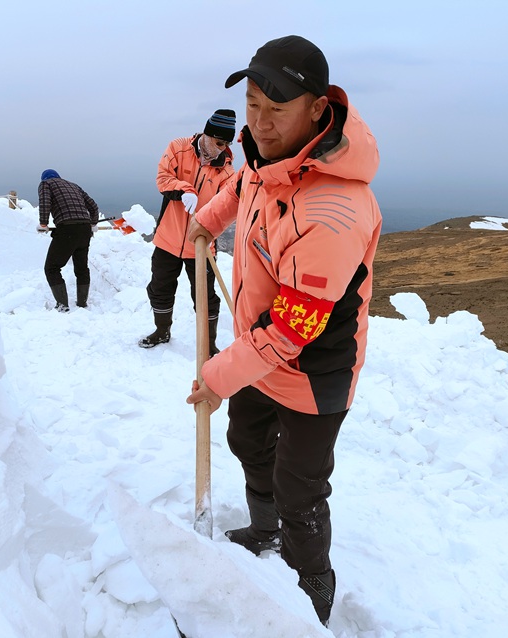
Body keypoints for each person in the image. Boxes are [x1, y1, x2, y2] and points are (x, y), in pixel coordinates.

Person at [185, 35, 382, 626]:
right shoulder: (268, 161)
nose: (260, 123)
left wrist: (217, 376)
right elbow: (242, 189)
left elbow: (292, 333)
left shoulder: (334, 211)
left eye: (277, 108)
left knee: (302, 491)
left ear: (318, 109)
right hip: (257, 355)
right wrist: (206, 220)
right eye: (252, 105)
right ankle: (263, 528)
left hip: (312, 375)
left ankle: (311, 587)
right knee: (247, 442)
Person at [139, 109, 238, 353]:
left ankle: (209, 344)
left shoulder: (226, 171)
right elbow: (163, 178)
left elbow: (229, 208)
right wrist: (184, 190)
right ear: (207, 133)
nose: (223, 148)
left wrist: (207, 223)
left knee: (206, 298)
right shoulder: (178, 148)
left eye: (227, 144)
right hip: (167, 238)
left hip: (202, 243)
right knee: (160, 288)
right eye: (219, 142)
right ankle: (162, 331)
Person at [37, 169, 100, 311]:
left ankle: (63, 306)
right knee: (82, 268)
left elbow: (45, 201)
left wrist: (43, 223)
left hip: (67, 229)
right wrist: (93, 222)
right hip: (84, 229)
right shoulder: (73, 185)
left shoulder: (46, 184)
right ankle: (82, 303)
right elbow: (93, 205)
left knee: (52, 268)